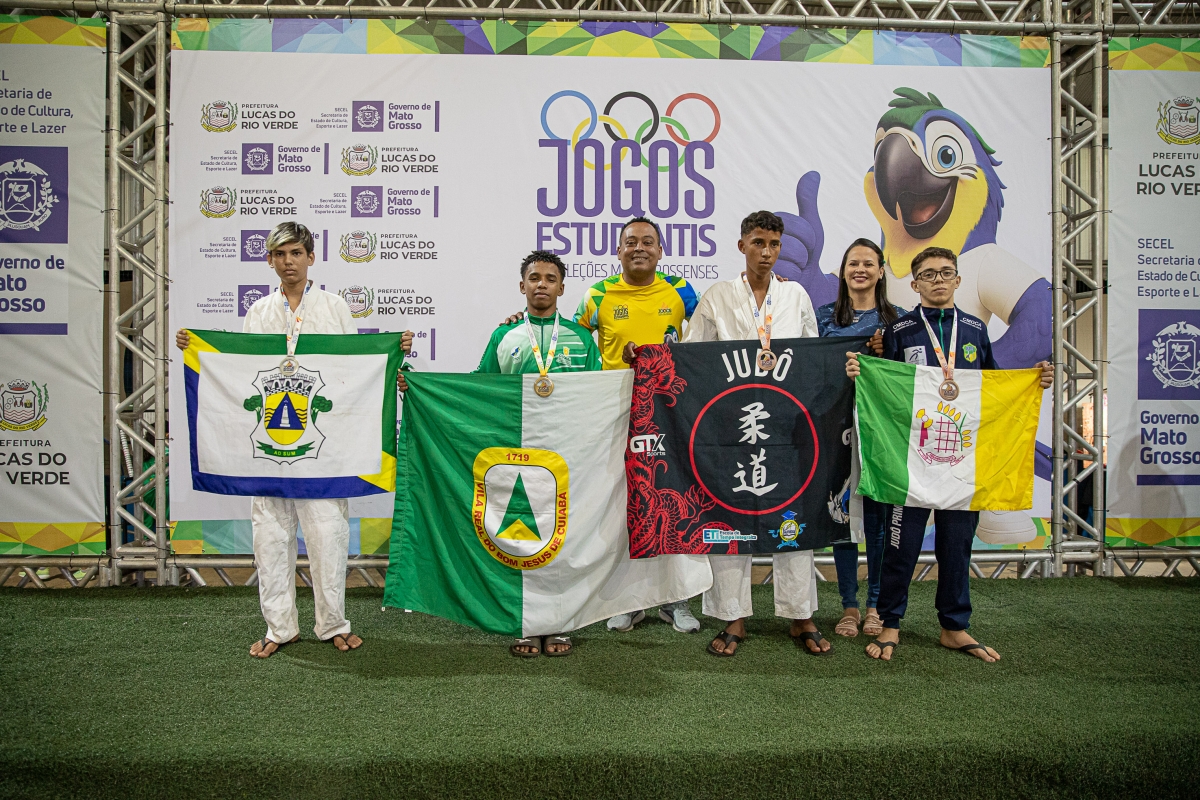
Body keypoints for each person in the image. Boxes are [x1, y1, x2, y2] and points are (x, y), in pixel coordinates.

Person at [176, 221, 412, 658]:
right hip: (268, 444)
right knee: (270, 538)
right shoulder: (258, 311)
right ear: (269, 260)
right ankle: (279, 627)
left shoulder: (335, 307)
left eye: (297, 253)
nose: (289, 262)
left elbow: (351, 370)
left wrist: (393, 350)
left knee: (328, 536)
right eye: (281, 254)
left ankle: (333, 623)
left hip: (322, 446)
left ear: (311, 257)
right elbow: (242, 370)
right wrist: (198, 349)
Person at [845, 246, 1051, 663]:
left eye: (945, 273)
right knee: (901, 548)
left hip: (961, 461)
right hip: (911, 462)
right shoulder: (899, 331)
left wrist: (1033, 381)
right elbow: (886, 390)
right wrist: (863, 371)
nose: (937, 280)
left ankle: (954, 627)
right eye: (928, 274)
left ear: (958, 280)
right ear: (914, 284)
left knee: (956, 547)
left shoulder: (975, 330)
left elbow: (993, 386)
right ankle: (890, 623)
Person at [684, 210, 828, 657]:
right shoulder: (718, 296)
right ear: (742, 245)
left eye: (774, 244)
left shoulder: (795, 295)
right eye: (759, 243)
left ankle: (801, 615)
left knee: (792, 514)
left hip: (785, 426)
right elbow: (692, 356)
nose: (767, 252)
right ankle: (733, 616)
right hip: (731, 425)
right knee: (730, 516)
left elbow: (812, 357)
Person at [577, 216, 703, 634]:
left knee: (672, 499)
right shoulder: (597, 295)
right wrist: (519, 319)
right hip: (615, 412)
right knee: (621, 504)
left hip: (670, 412)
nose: (639, 248)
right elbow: (569, 339)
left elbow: (710, 332)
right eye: (630, 241)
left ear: (660, 251)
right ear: (618, 250)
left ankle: (676, 600)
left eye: (648, 241)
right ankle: (626, 601)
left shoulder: (681, 290)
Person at [474, 251, 602, 657]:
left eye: (550, 278)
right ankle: (525, 624)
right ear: (522, 285)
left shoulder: (581, 338)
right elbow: (480, 389)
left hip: (568, 457)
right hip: (518, 457)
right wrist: (423, 389)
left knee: (563, 537)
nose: (541, 284)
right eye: (534, 278)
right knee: (521, 537)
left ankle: (559, 622)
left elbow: (599, 395)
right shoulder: (504, 335)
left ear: (562, 288)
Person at [815, 238, 903, 640]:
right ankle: (848, 606)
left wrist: (887, 355)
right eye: (853, 263)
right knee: (843, 518)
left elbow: (909, 376)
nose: (861, 270)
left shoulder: (898, 321)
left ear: (881, 271)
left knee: (880, 522)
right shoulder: (823, 317)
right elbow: (810, 366)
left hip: (882, 430)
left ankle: (876, 607)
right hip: (835, 427)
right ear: (843, 271)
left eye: (869, 263)